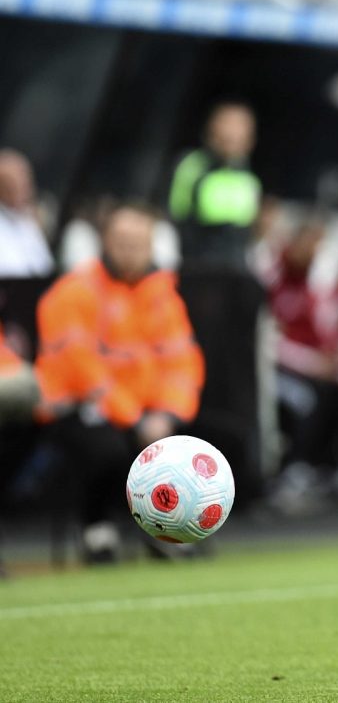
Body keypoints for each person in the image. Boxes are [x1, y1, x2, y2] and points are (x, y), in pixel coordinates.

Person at [34, 203, 205, 563]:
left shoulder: (162, 295)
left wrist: (166, 415)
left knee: (201, 442)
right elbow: (81, 368)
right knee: (107, 449)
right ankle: (97, 529)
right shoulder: (74, 291)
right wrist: (135, 418)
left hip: (148, 411)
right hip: (77, 407)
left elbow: (182, 363)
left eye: (138, 243)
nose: (130, 251)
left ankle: (167, 527)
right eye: (122, 242)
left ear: (151, 246)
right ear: (105, 242)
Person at [167, 101, 262, 270]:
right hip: (195, 266)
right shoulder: (192, 166)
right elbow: (176, 217)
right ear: (211, 128)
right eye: (227, 123)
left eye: (240, 126)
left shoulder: (250, 179)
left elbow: (247, 232)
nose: (232, 133)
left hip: (235, 270)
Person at [0, 148, 54, 278]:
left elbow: (45, 267)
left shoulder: (29, 223)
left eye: (25, 181)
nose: (25, 189)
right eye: (12, 183)